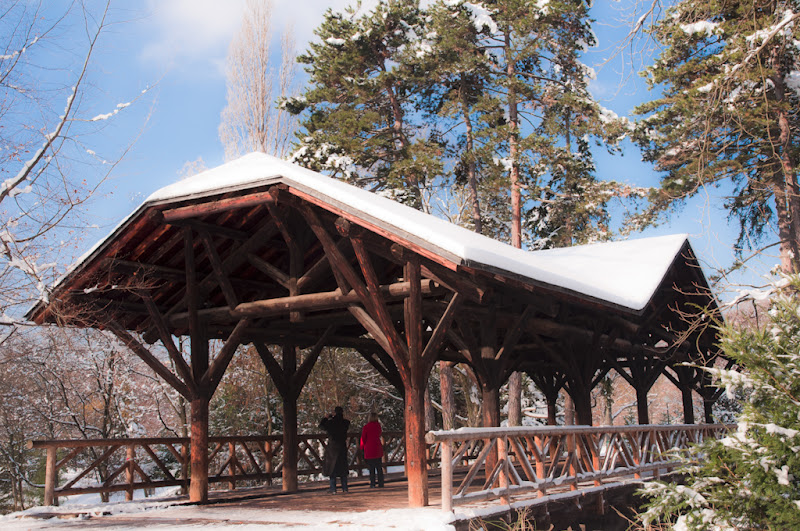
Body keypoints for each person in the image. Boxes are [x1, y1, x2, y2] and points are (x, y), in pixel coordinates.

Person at [320, 406, 350, 493]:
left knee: (332, 468)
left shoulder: (331, 423)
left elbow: (321, 426)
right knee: (343, 467)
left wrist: (327, 418)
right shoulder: (345, 423)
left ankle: (333, 488)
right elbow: (346, 422)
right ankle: (345, 488)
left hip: (333, 447)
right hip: (342, 446)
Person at [359, 411, 384, 488]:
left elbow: (363, 438)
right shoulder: (378, 426)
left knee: (371, 468)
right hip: (377, 447)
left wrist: (361, 446)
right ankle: (381, 483)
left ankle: (373, 483)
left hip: (369, 448)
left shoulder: (366, 427)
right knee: (379, 467)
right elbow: (379, 434)